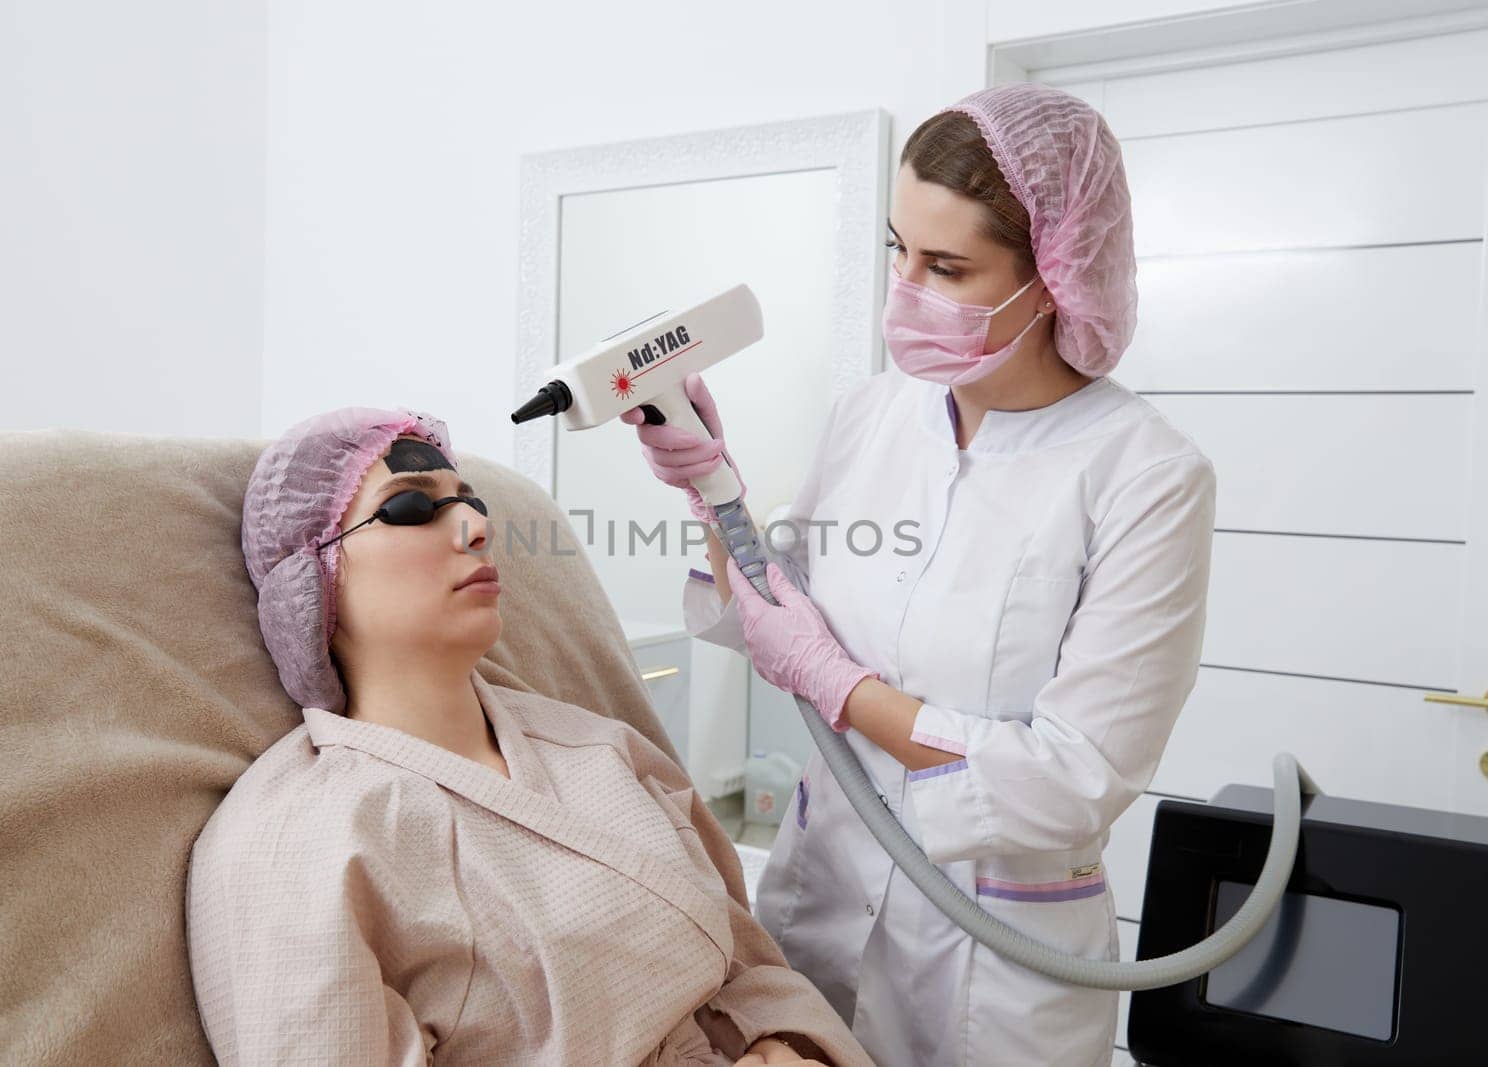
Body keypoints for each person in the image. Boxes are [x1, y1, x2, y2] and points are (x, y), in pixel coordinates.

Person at [623, 83, 1217, 1066]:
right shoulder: (874, 413)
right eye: (898, 250)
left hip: (998, 960)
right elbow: (773, 616)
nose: (904, 287)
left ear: (1057, 276)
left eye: (946, 265)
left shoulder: (1145, 474)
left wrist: (843, 687)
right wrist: (708, 483)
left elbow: (1072, 777)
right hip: (819, 909)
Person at [184, 406, 875, 1066]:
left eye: (471, 502)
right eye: (411, 507)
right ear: (312, 578)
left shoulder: (602, 747)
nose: (475, 528)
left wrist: (791, 1044)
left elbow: (752, 967)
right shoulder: (296, 840)